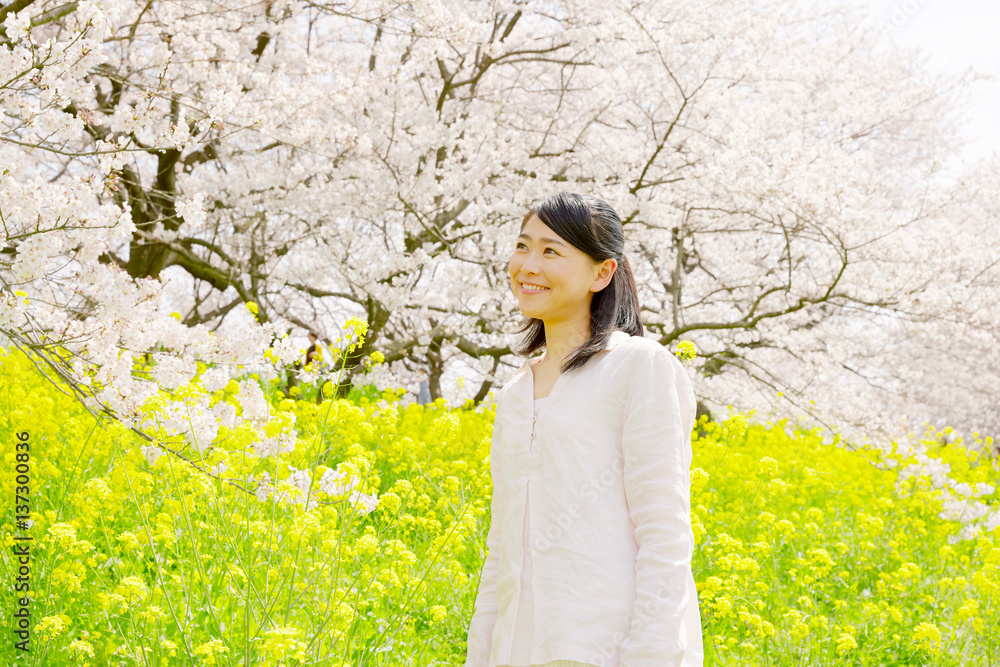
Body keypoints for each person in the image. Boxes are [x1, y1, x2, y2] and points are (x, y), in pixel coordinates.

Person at [463, 193, 703, 667]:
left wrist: (648, 655)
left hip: (607, 650)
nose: (528, 265)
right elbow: (502, 548)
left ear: (602, 273)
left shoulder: (639, 367)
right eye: (522, 246)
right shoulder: (515, 393)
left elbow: (664, 533)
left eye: (552, 251)